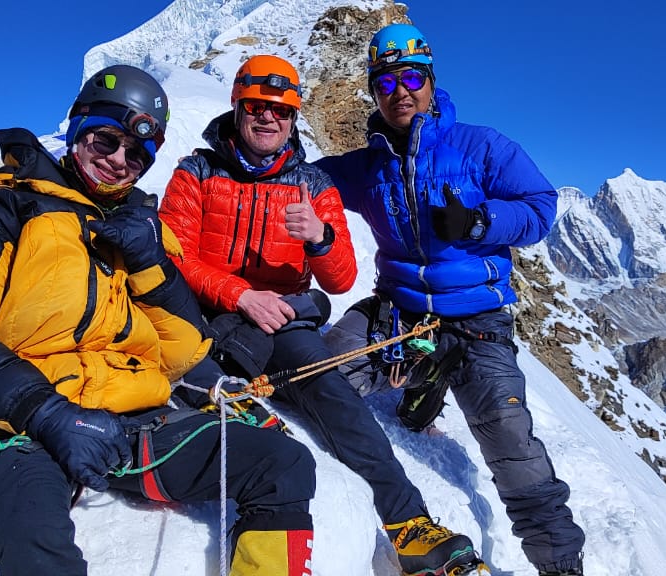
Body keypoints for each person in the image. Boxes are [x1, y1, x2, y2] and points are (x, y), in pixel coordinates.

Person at [0, 64, 315, 576]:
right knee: (38, 545)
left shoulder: (138, 228)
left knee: (282, 465)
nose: (118, 161)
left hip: (126, 421)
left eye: (137, 154)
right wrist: (44, 412)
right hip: (18, 427)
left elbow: (182, 352)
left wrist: (154, 268)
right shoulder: (2, 207)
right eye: (106, 140)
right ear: (79, 127)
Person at [158, 55, 485, 576]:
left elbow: (338, 279)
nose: (269, 120)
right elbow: (172, 256)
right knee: (193, 385)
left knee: (335, 398)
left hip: (285, 322)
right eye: (257, 108)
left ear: (292, 118)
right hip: (202, 315)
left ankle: (409, 525)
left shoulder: (312, 184)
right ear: (238, 108)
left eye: (281, 112)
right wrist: (240, 295)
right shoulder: (196, 172)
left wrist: (321, 237)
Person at [314, 24, 588, 576]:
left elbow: (540, 207)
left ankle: (560, 565)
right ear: (374, 91)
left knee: (511, 443)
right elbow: (302, 178)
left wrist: (482, 220)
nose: (400, 91)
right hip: (400, 311)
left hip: (477, 320)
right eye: (386, 82)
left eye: (411, 77)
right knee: (325, 376)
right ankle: (424, 383)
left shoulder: (481, 146)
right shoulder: (367, 166)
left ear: (431, 81)